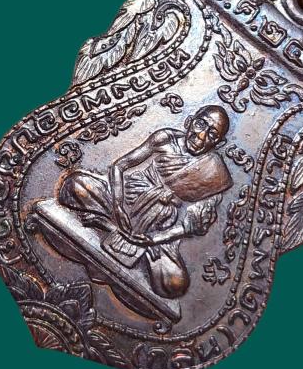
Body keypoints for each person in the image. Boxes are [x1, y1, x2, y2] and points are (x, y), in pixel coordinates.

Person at [58, 105, 233, 299]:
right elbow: (120, 165)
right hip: (126, 197)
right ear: (189, 121)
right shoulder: (165, 138)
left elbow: (192, 226)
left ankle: (110, 227)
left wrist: (155, 239)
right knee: (74, 185)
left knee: (174, 284)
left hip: (160, 226)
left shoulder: (215, 173)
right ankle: (113, 226)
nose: (200, 136)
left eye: (212, 135)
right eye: (200, 124)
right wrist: (118, 206)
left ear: (220, 143)